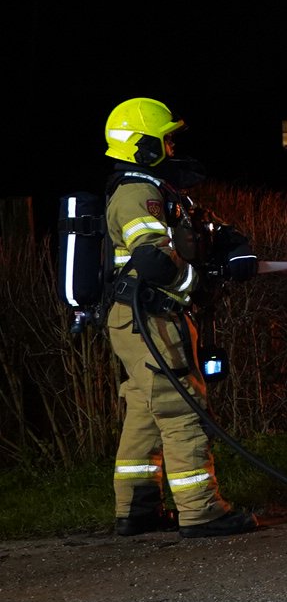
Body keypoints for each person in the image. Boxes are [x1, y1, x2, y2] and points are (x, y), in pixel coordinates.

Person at [100, 97, 259, 539]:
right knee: (181, 407)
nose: (172, 148)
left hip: (148, 317)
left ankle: (137, 510)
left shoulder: (161, 191)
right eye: (165, 140)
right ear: (143, 146)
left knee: (146, 414)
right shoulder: (135, 195)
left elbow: (207, 229)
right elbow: (154, 262)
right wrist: (198, 283)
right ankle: (202, 511)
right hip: (149, 318)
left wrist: (236, 249)